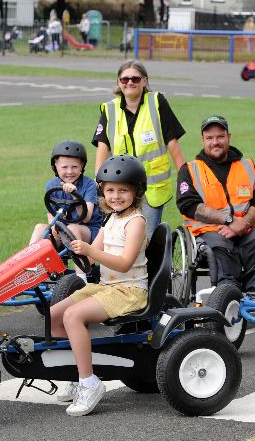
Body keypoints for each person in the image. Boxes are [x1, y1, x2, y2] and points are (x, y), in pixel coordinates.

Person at [50, 155, 148, 417]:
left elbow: (125, 263)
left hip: (130, 291)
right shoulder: (111, 218)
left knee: (73, 315)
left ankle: (89, 383)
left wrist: (90, 248)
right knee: (55, 315)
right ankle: (74, 374)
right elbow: (92, 257)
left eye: (123, 190)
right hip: (107, 287)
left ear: (136, 191)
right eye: (111, 190)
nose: (116, 196)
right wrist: (67, 243)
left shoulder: (135, 222)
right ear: (103, 191)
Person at [177, 116, 255, 294]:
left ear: (228, 136)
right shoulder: (190, 170)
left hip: (248, 229)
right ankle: (228, 296)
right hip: (211, 232)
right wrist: (229, 220)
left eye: (220, 137)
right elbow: (188, 205)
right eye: (210, 138)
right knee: (222, 250)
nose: (215, 142)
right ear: (202, 140)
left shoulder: (247, 166)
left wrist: (243, 224)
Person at [91, 60, 186, 238]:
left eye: (135, 78)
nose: (130, 83)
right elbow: (102, 146)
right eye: (124, 79)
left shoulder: (157, 102)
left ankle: (143, 267)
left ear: (144, 81)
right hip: (120, 187)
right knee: (118, 236)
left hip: (152, 189)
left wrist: (185, 175)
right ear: (118, 82)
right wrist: (99, 180)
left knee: (145, 238)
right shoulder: (110, 109)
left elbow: (172, 142)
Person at [29, 140, 103, 248]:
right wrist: (53, 225)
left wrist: (75, 195)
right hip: (63, 230)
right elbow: (50, 213)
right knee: (40, 228)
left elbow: (86, 218)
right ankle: (33, 262)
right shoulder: (51, 185)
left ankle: (82, 264)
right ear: (56, 165)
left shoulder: (89, 185)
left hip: (89, 230)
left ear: (82, 166)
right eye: (64, 167)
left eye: (74, 167)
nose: (69, 171)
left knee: (73, 228)